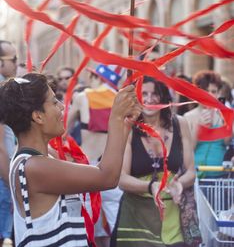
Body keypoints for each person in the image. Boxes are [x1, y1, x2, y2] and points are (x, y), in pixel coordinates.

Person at [0, 72, 141, 247]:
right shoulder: (34, 167)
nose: (62, 107)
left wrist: (124, 124)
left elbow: (102, 171)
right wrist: (115, 117)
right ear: (38, 116)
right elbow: (107, 176)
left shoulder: (39, 159)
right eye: (54, 102)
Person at [111, 76, 196, 247]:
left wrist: (180, 185)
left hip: (172, 219)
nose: (149, 99)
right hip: (136, 219)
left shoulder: (180, 124)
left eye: (155, 93)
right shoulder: (128, 127)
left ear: (164, 97)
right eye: (144, 94)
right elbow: (121, 179)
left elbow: (191, 172)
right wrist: (151, 186)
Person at [68, 63, 123, 247]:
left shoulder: (83, 97)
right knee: (116, 227)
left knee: (91, 228)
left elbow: (62, 132)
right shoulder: (122, 100)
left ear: (97, 77)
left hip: (87, 168)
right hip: (115, 168)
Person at [184, 70, 231, 178]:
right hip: (195, 176)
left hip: (220, 176)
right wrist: (199, 128)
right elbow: (188, 150)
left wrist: (226, 122)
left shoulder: (223, 115)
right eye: (205, 91)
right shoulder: (188, 117)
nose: (209, 95)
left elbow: (227, 142)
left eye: (213, 91)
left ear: (219, 93)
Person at [0, 40, 17, 247]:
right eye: (13, 59)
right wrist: (12, 185)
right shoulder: (2, 90)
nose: (16, 64)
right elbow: (1, 147)